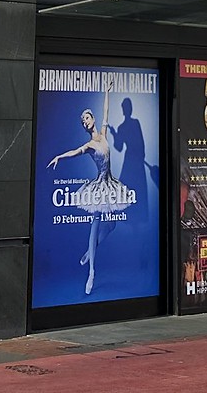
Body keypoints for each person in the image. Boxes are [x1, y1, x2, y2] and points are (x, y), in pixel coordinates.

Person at [49, 90, 128, 295]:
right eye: (83, 121)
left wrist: (107, 92)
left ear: (93, 118)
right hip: (99, 186)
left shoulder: (102, 134)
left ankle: (88, 252)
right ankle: (92, 271)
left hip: (111, 182)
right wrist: (59, 156)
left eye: (87, 118)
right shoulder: (90, 145)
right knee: (96, 223)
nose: (85, 122)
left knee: (111, 225)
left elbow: (107, 111)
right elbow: (74, 152)